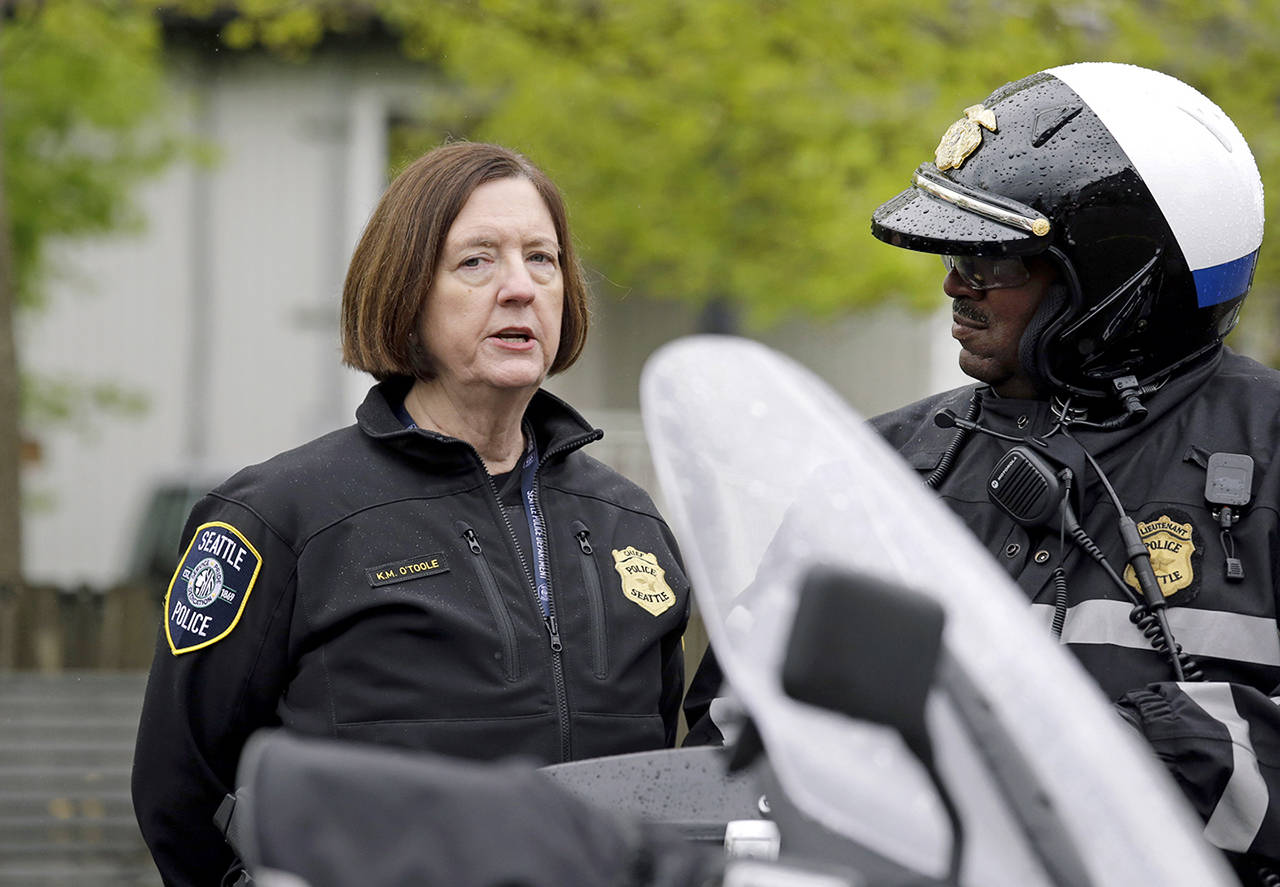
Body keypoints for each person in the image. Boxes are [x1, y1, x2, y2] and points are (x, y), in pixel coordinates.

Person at [689, 61, 1280, 880]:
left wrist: (1112, 755)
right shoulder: (881, 469)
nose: (954, 286)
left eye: (994, 259)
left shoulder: (1270, 452)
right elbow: (726, 741)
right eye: (955, 253)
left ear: (1121, 276)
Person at [132, 141, 691, 886]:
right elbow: (181, 792)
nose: (520, 287)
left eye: (542, 258)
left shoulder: (627, 521)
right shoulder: (279, 517)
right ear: (405, 293)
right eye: (476, 262)